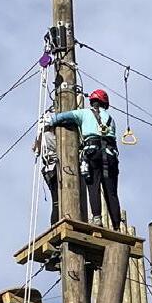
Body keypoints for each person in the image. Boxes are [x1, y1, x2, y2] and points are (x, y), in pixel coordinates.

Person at [40, 88, 122, 224]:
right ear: (105, 104)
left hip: (92, 153)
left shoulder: (83, 114)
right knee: (111, 192)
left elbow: (62, 117)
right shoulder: (111, 120)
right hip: (110, 155)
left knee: (93, 186)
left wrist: (51, 121)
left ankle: (97, 218)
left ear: (92, 102)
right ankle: (117, 224)